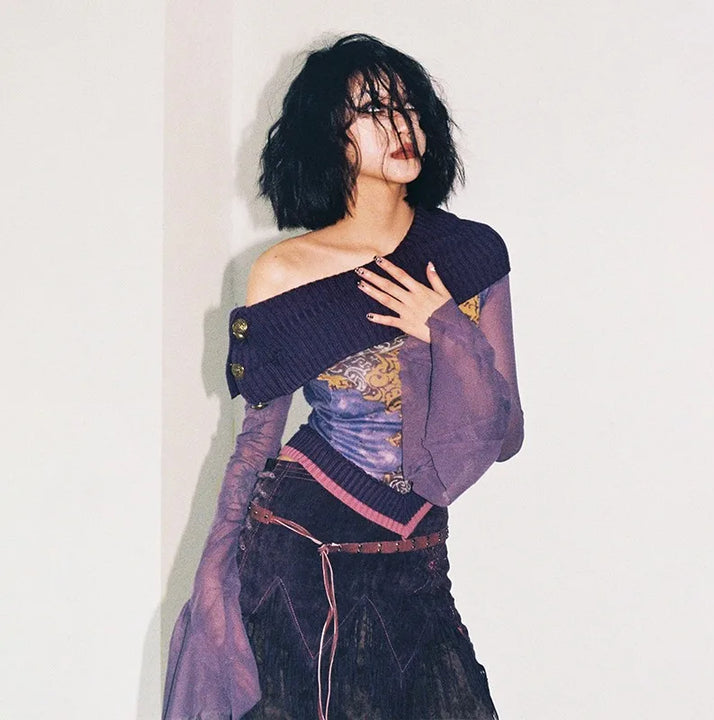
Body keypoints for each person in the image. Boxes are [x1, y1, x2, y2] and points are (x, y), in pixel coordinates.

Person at [163, 33, 524, 720]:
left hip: (418, 555)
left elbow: (505, 434)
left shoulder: (470, 254)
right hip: (304, 557)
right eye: (373, 109)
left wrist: (443, 329)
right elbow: (253, 445)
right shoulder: (284, 271)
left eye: (409, 106)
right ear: (329, 136)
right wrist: (214, 582)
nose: (401, 124)